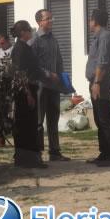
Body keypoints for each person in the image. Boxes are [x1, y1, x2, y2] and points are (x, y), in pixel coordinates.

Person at [10, 20, 50, 168]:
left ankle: (28, 158)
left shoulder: (24, 47)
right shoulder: (20, 49)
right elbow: (20, 73)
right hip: (24, 91)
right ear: (23, 33)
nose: (31, 32)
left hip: (29, 89)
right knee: (26, 125)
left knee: (29, 124)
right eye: (28, 30)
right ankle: (26, 159)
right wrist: (28, 93)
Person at [32, 9, 69, 162]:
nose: (50, 21)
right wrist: (47, 74)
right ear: (39, 22)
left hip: (54, 86)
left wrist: (63, 78)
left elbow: (59, 60)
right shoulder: (34, 40)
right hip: (40, 86)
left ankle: (55, 152)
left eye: (51, 18)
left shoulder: (53, 39)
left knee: (53, 120)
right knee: (39, 121)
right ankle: (38, 153)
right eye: (47, 19)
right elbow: (33, 65)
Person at [85, 9, 110, 167]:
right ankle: (104, 153)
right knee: (99, 119)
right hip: (96, 82)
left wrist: (97, 82)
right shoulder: (98, 37)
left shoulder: (105, 36)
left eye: (90, 20)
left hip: (102, 82)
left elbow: (103, 62)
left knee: (105, 120)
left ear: (94, 21)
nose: (89, 23)